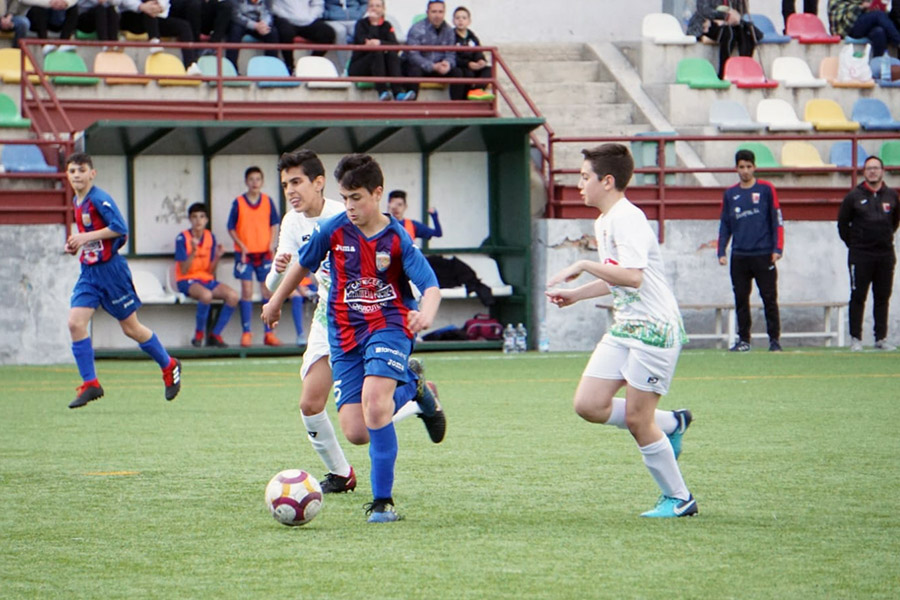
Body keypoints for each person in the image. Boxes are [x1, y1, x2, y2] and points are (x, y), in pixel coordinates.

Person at [262, 153, 443, 523]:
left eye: (356, 198)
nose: (349, 206)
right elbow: (301, 263)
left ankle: (382, 504)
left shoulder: (396, 238)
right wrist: (275, 300)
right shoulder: (335, 229)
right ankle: (417, 389)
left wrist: (426, 313)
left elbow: (430, 284)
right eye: (345, 198)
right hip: (343, 335)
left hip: (388, 327)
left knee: (376, 404)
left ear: (377, 194)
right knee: (357, 431)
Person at [545, 143, 696, 519]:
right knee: (588, 404)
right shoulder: (604, 220)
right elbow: (621, 279)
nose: (579, 184)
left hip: (654, 331)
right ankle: (672, 423)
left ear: (607, 181)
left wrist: (583, 263)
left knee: (636, 420)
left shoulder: (627, 218)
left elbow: (633, 276)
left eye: (584, 177)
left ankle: (680, 499)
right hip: (627, 326)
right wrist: (578, 295)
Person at [64, 152, 182, 409]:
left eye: (81, 170)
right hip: (89, 273)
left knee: (131, 329)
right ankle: (91, 384)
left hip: (112, 273)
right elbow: (93, 237)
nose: (76, 175)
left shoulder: (100, 199)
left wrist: (84, 238)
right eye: (72, 171)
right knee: (75, 324)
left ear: (92, 174)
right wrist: (78, 245)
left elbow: (120, 228)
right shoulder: (77, 200)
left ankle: (169, 365)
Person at [717, 149, 784, 352]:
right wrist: (721, 251)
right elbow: (725, 224)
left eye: (748, 166)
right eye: (741, 167)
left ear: (754, 167)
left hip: (763, 254)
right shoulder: (730, 194)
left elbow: (777, 220)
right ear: (736, 168)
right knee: (741, 299)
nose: (745, 171)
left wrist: (778, 248)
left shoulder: (766, 189)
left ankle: (774, 340)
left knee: (769, 298)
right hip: (740, 255)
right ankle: (744, 339)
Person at [837, 155, 899, 351]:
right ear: (864, 172)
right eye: (869, 168)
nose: (873, 171)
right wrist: (856, 243)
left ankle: (880, 338)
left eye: (876, 168)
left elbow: (895, 222)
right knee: (858, 296)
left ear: (882, 171)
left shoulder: (892, 196)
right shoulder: (853, 197)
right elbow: (842, 225)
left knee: (882, 297)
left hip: (885, 255)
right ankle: (856, 339)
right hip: (860, 255)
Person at [228, 165, 281, 347]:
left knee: (267, 290)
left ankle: (269, 332)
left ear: (262, 181)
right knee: (247, 291)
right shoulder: (239, 202)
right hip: (246, 254)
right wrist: (242, 246)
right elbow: (231, 227)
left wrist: (271, 245)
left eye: (258, 179)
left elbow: (274, 224)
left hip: (264, 252)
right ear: (246, 182)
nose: (255, 183)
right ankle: (247, 332)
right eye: (251, 179)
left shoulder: (267, 201)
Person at [174, 202, 239, 348]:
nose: (198, 220)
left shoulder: (210, 237)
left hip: (205, 278)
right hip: (186, 280)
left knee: (233, 296)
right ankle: (199, 334)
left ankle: (215, 334)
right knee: (206, 296)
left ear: (206, 220)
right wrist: (193, 252)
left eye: (202, 217)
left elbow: (210, 271)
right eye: (195, 217)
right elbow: (183, 270)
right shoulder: (182, 238)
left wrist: (217, 256)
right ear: (190, 219)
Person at [402, 0, 466, 101]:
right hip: (420, 66)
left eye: (440, 12)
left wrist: (447, 64)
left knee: (457, 72)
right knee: (414, 70)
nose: (437, 15)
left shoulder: (449, 30)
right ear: (427, 12)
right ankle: (410, 108)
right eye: (434, 12)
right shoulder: (416, 28)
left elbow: (451, 54)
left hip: (439, 67)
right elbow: (413, 56)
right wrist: (432, 66)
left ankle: (456, 110)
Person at [347, 0, 404, 101]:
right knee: (376, 52)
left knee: (391, 54)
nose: (374, 8)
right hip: (360, 66)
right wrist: (373, 25)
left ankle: (398, 92)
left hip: (380, 67)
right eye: (371, 6)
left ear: (383, 9)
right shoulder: (361, 24)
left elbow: (395, 45)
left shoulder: (387, 25)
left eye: (378, 6)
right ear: (367, 9)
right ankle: (382, 91)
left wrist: (380, 43)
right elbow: (364, 43)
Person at [686, 0, 759, 78]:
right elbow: (703, 10)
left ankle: (744, 70)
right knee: (729, 33)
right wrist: (725, 16)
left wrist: (734, 16)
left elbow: (741, 12)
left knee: (746, 32)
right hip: (705, 23)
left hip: (728, 23)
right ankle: (723, 73)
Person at [119, 0, 197, 67]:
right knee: (149, 6)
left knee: (184, 26)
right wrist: (141, 6)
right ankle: (154, 40)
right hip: (131, 16)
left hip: (153, 16)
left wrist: (159, 6)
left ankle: (191, 65)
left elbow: (164, 4)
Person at [270, 0, 336, 67]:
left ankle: (308, 66)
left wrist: (310, 17)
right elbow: (271, 5)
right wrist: (289, 16)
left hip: (307, 19)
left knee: (327, 33)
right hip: (283, 18)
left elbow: (318, 4)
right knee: (286, 33)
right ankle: (289, 66)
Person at [828, 0, 900, 58]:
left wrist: (873, 8)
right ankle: (898, 41)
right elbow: (841, 21)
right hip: (846, 28)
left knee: (879, 31)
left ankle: (877, 63)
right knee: (879, 15)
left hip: (861, 26)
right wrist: (861, 6)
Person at [452, 5, 493, 100]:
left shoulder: (472, 36)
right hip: (462, 67)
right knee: (467, 73)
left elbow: (478, 51)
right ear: (453, 21)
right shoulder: (451, 36)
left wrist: (480, 60)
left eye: (464, 18)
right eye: (457, 18)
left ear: (469, 21)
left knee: (489, 70)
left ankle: (476, 90)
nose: (460, 20)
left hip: (474, 65)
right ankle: (465, 98)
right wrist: (467, 63)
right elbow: (452, 56)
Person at [225, 0, 280, 70]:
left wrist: (264, 24)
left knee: (272, 32)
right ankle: (231, 69)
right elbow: (235, 16)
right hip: (242, 22)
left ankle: (271, 69)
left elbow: (269, 12)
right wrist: (255, 26)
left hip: (260, 23)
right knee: (235, 31)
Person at [323, 0, 365, 70]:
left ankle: (360, 68)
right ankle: (343, 68)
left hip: (354, 19)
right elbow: (319, 4)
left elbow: (365, 3)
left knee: (361, 32)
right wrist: (328, 14)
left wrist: (359, 13)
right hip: (333, 20)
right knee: (340, 32)